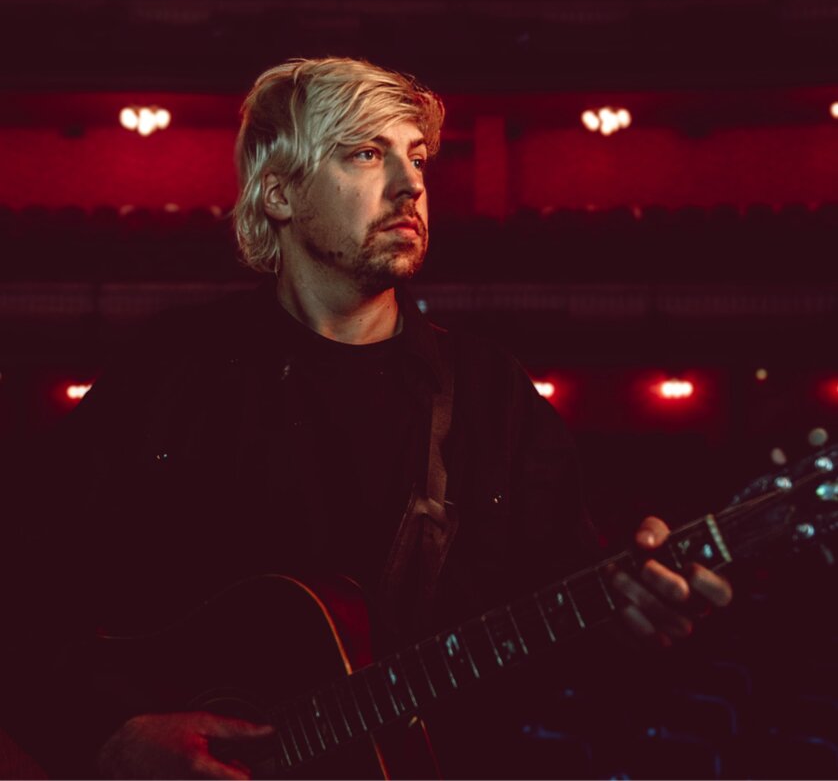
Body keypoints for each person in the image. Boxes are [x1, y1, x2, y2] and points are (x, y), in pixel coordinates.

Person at [3, 57, 732, 779]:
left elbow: (562, 628)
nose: (412, 184)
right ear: (281, 195)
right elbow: (24, 590)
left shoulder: (491, 394)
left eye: (416, 158)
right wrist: (106, 736)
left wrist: (632, 610)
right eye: (365, 154)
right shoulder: (171, 371)